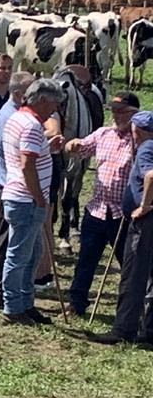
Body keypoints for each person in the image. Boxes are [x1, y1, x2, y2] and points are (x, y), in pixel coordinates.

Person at [64, 92, 139, 316]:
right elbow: (81, 147)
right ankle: (76, 303)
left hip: (123, 214)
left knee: (129, 265)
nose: (116, 116)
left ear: (135, 114)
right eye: (113, 111)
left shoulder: (141, 141)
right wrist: (72, 145)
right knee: (86, 260)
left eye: (121, 112)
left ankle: (132, 310)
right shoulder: (103, 134)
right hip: (97, 209)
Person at [0, 78, 64, 326]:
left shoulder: (17, 118)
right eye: (54, 104)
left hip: (20, 196)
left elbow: (26, 155)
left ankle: (26, 303)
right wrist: (38, 198)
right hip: (26, 200)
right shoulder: (31, 126)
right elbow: (27, 165)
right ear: (44, 100)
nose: (54, 110)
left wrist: (46, 148)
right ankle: (13, 307)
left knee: (33, 254)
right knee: (19, 256)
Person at [91, 111, 153, 345]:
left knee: (133, 273)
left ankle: (123, 330)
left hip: (146, 221)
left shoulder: (147, 148)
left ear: (138, 131)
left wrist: (144, 206)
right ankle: (149, 330)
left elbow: (151, 175)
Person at [0, 71, 36, 309]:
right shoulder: (11, 117)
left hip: (7, 183)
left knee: (7, 238)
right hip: (8, 185)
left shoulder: (12, 114)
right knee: (7, 239)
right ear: (18, 94)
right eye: (30, 91)